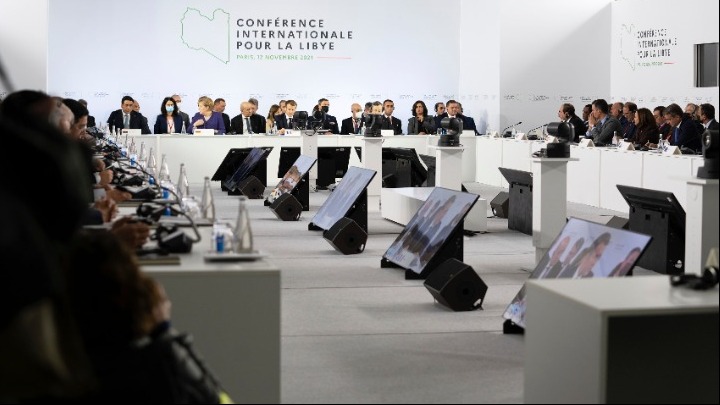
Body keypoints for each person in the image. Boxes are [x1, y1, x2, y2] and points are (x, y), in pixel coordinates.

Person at [61, 230, 225, 403]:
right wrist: (165, 333)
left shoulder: (58, 370)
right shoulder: (154, 366)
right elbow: (217, 398)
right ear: (131, 292)